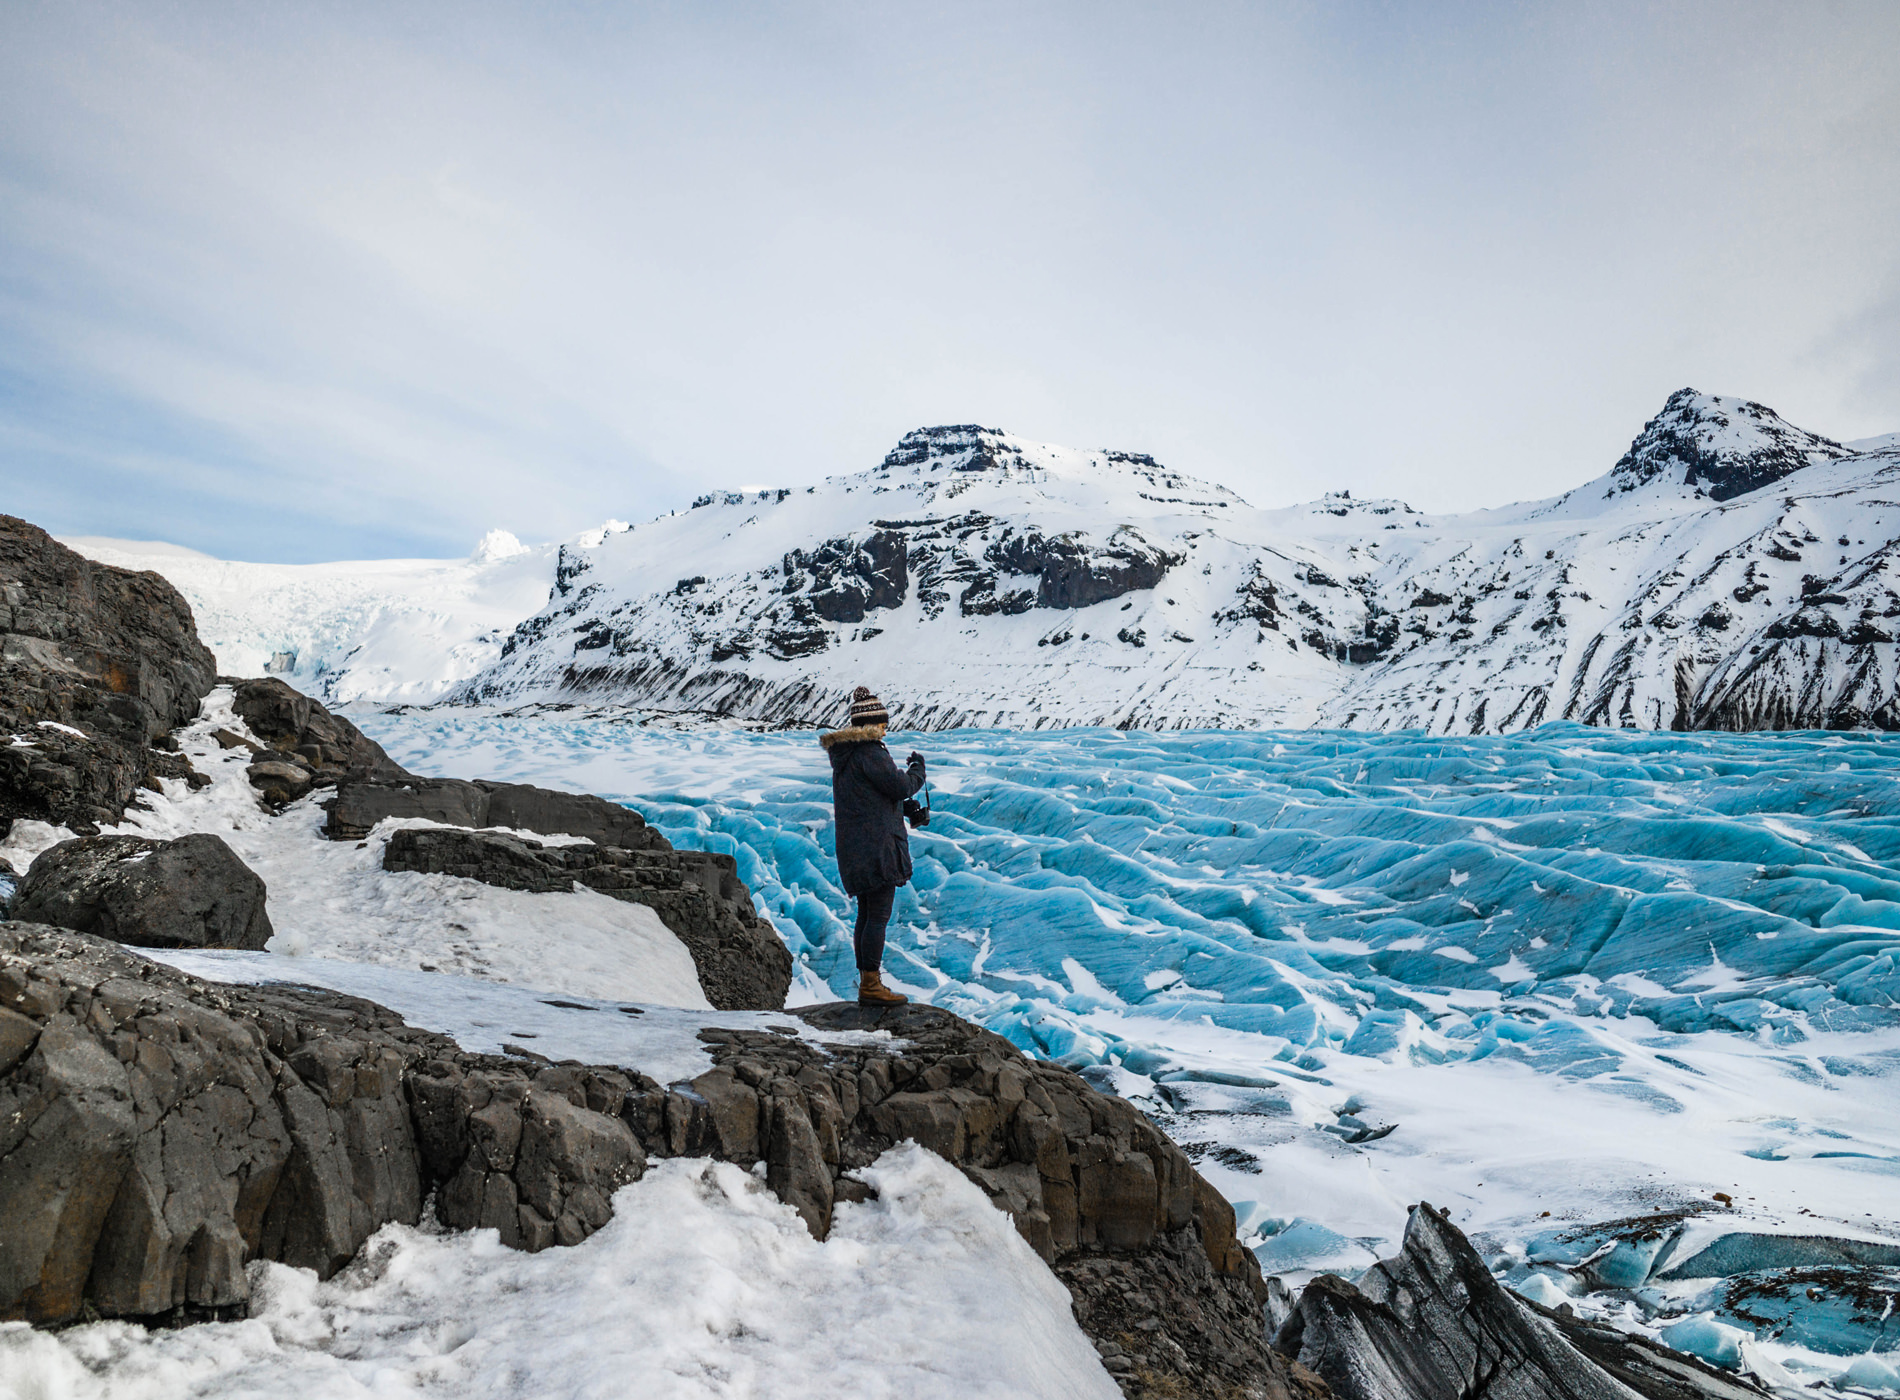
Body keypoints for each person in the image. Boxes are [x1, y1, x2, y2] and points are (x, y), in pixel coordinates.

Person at [822, 685, 925, 1007]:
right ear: (869, 726)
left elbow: (872, 796)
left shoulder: (848, 756)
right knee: (877, 916)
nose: (885, 729)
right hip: (877, 848)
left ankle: (869, 982)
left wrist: (902, 808)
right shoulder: (871, 753)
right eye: (882, 724)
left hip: (856, 846)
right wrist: (918, 769)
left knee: (866, 915)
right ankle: (871, 985)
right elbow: (899, 786)